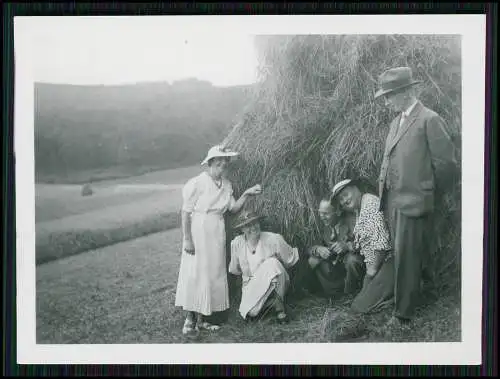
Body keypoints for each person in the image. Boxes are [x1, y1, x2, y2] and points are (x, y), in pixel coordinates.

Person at [374, 66, 458, 328]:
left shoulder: (429, 119)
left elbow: (447, 166)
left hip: (414, 202)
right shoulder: (395, 122)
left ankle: (403, 315)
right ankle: (416, 295)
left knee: (408, 256)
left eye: (389, 95)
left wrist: (427, 192)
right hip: (394, 201)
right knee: (403, 254)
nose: (386, 102)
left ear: (406, 92)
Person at [174, 144, 262, 336]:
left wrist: (247, 193)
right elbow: (185, 212)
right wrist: (187, 239)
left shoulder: (226, 185)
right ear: (210, 163)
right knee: (196, 271)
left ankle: (205, 318)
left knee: (214, 273)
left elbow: (233, 208)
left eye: (225, 164)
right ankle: (190, 319)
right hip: (199, 229)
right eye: (219, 163)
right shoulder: (197, 183)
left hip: (217, 230)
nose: (222, 167)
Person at [328, 179, 395, 340]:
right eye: (341, 200)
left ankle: (393, 298)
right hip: (379, 264)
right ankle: (386, 296)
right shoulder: (360, 209)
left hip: (389, 261)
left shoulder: (370, 204)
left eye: (345, 194)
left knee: (358, 308)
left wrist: (371, 272)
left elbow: (381, 243)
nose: (344, 201)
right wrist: (347, 246)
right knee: (359, 304)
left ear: (356, 188)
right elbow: (362, 243)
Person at [228, 210, 300, 323]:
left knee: (272, 263)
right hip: (252, 284)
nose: (253, 227)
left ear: (259, 223)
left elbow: (291, 260)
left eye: (254, 223)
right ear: (242, 229)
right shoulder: (237, 243)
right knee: (251, 312)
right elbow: (235, 270)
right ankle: (270, 306)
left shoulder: (274, 239)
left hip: (276, 281)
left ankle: (279, 308)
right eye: (247, 225)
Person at [304, 196, 365, 300]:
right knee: (313, 260)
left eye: (326, 213)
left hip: (350, 270)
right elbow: (308, 248)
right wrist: (318, 249)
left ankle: (352, 294)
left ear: (337, 212)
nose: (322, 217)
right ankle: (323, 293)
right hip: (334, 271)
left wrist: (347, 246)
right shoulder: (323, 226)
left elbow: (365, 243)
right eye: (320, 212)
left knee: (352, 260)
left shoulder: (352, 222)